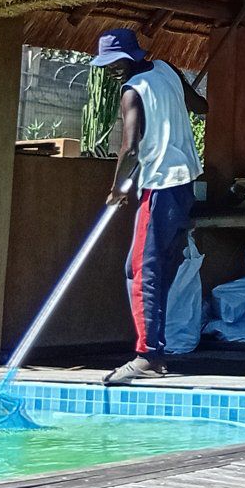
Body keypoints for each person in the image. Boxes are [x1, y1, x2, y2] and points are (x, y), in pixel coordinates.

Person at [90, 27, 207, 384]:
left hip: (158, 188)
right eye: (105, 64)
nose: (111, 69)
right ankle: (154, 349)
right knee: (148, 270)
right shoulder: (167, 69)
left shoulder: (132, 91)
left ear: (132, 57)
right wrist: (175, 97)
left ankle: (147, 357)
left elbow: (130, 147)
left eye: (115, 62)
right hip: (184, 184)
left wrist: (118, 189)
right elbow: (200, 107)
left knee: (143, 273)